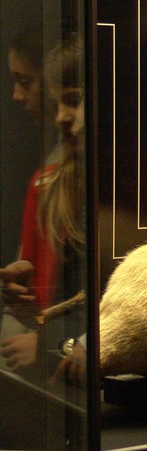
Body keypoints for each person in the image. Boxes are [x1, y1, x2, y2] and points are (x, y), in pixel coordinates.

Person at [1, 33, 86, 375]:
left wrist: (54, 342)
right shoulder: (49, 182)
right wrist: (22, 301)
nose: (62, 117)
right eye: (58, 104)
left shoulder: (139, 190)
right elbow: (47, 300)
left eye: (74, 101)